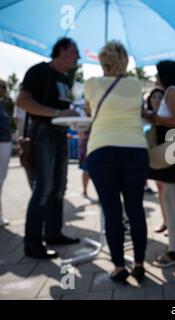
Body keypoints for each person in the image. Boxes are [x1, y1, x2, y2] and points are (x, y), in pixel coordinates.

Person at [84, 41, 149, 283]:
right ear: (125, 60)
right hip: (135, 149)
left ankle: (119, 266)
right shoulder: (135, 84)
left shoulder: (91, 84)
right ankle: (140, 263)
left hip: (102, 149)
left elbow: (90, 110)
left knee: (111, 210)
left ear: (102, 61)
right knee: (135, 208)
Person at [16, 38, 80, 259]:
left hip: (60, 134)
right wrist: (56, 113)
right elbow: (22, 101)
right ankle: (32, 243)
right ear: (62, 50)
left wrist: (70, 114)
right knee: (43, 187)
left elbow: (61, 108)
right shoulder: (39, 71)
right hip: (43, 134)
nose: (77, 57)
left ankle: (53, 232)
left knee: (59, 187)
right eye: (74, 52)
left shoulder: (64, 78)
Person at [145, 61, 175, 268]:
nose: (156, 79)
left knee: (172, 197)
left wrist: (149, 116)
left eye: (158, 75)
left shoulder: (173, 91)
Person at [143, 88, 168, 233]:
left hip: (166, 157)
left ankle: (172, 223)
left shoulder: (167, 116)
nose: (157, 100)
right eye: (154, 97)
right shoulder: (146, 118)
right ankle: (166, 220)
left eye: (160, 97)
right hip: (153, 157)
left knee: (167, 190)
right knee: (160, 189)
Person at [0, 79, 14, 227]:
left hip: (4, 143)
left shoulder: (3, 104)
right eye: (2, 87)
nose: (4, 90)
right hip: (2, 142)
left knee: (1, 181)